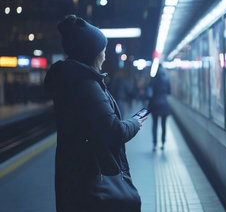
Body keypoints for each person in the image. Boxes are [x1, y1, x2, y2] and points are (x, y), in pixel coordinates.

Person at [44, 15, 147, 211]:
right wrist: (135, 122)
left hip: (78, 176)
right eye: (103, 50)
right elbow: (113, 131)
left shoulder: (73, 81)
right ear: (92, 53)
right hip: (91, 179)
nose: (105, 56)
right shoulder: (85, 85)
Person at [148, 68, 171, 151]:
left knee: (154, 124)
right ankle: (163, 143)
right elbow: (169, 92)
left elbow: (150, 92)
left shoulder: (153, 79)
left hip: (155, 104)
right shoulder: (167, 79)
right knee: (163, 125)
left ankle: (154, 143)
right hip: (164, 104)